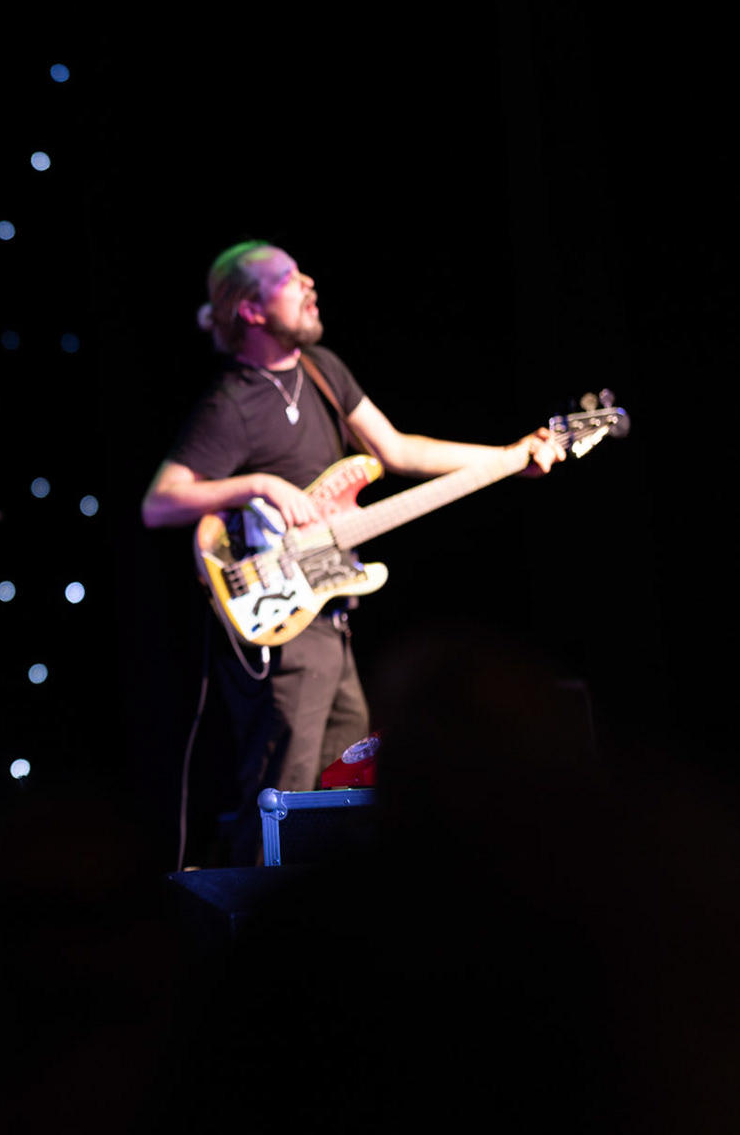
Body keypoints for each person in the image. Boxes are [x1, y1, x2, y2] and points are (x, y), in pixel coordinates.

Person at [140, 242, 561, 865]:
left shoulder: (322, 369)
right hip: (282, 626)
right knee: (281, 797)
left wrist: (507, 458)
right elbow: (160, 502)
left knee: (341, 792)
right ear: (251, 311)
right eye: (286, 277)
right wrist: (261, 483)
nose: (308, 280)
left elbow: (397, 450)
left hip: (331, 619)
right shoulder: (231, 403)